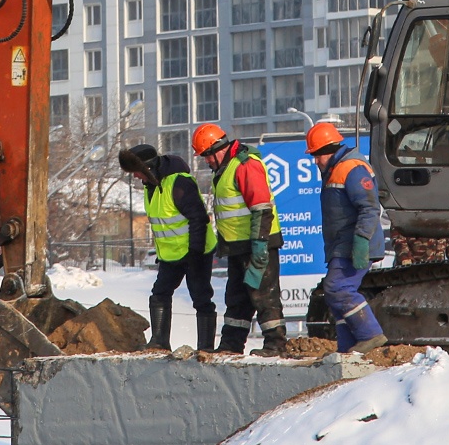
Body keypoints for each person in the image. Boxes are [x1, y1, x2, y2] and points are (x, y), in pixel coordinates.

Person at [191, 122, 288, 355]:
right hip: (237, 248)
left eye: (207, 155)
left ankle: (276, 345)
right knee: (237, 299)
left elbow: (262, 208)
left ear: (219, 148)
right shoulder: (226, 169)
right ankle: (231, 346)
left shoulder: (245, 166)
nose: (206, 161)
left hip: (257, 244)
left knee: (264, 296)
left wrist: (259, 244)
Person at [119, 143, 218, 351]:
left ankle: (206, 348)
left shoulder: (179, 183)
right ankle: (159, 342)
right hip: (170, 256)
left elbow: (199, 219)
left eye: (136, 172)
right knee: (160, 294)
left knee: (201, 298)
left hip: (195, 251)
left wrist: (195, 252)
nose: (135, 177)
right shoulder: (151, 187)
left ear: (148, 168)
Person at [307, 121, 388, 353]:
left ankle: (370, 334)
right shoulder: (336, 168)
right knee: (334, 296)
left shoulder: (352, 168)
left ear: (327, 151)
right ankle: (348, 347)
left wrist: (361, 241)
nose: (315, 161)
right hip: (341, 246)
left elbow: (370, 208)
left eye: (316, 155)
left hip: (354, 244)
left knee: (337, 288)